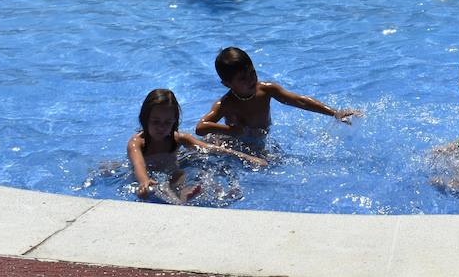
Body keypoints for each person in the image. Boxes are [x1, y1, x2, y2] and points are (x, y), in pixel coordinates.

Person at [196, 47, 359, 145]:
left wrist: (334, 113)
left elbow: (300, 101)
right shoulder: (227, 103)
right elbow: (201, 127)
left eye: (252, 73)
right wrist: (234, 131)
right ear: (227, 84)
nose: (251, 80)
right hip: (233, 145)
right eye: (243, 79)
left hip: (258, 144)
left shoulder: (266, 90)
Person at [127, 88, 266, 203]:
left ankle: (184, 197)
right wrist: (144, 181)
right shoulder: (137, 143)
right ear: (145, 119)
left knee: (181, 174)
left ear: (174, 122)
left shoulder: (179, 138)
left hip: (172, 173)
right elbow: (139, 165)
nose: (161, 127)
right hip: (146, 175)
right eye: (156, 122)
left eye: (167, 122)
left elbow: (210, 149)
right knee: (150, 191)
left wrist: (246, 157)